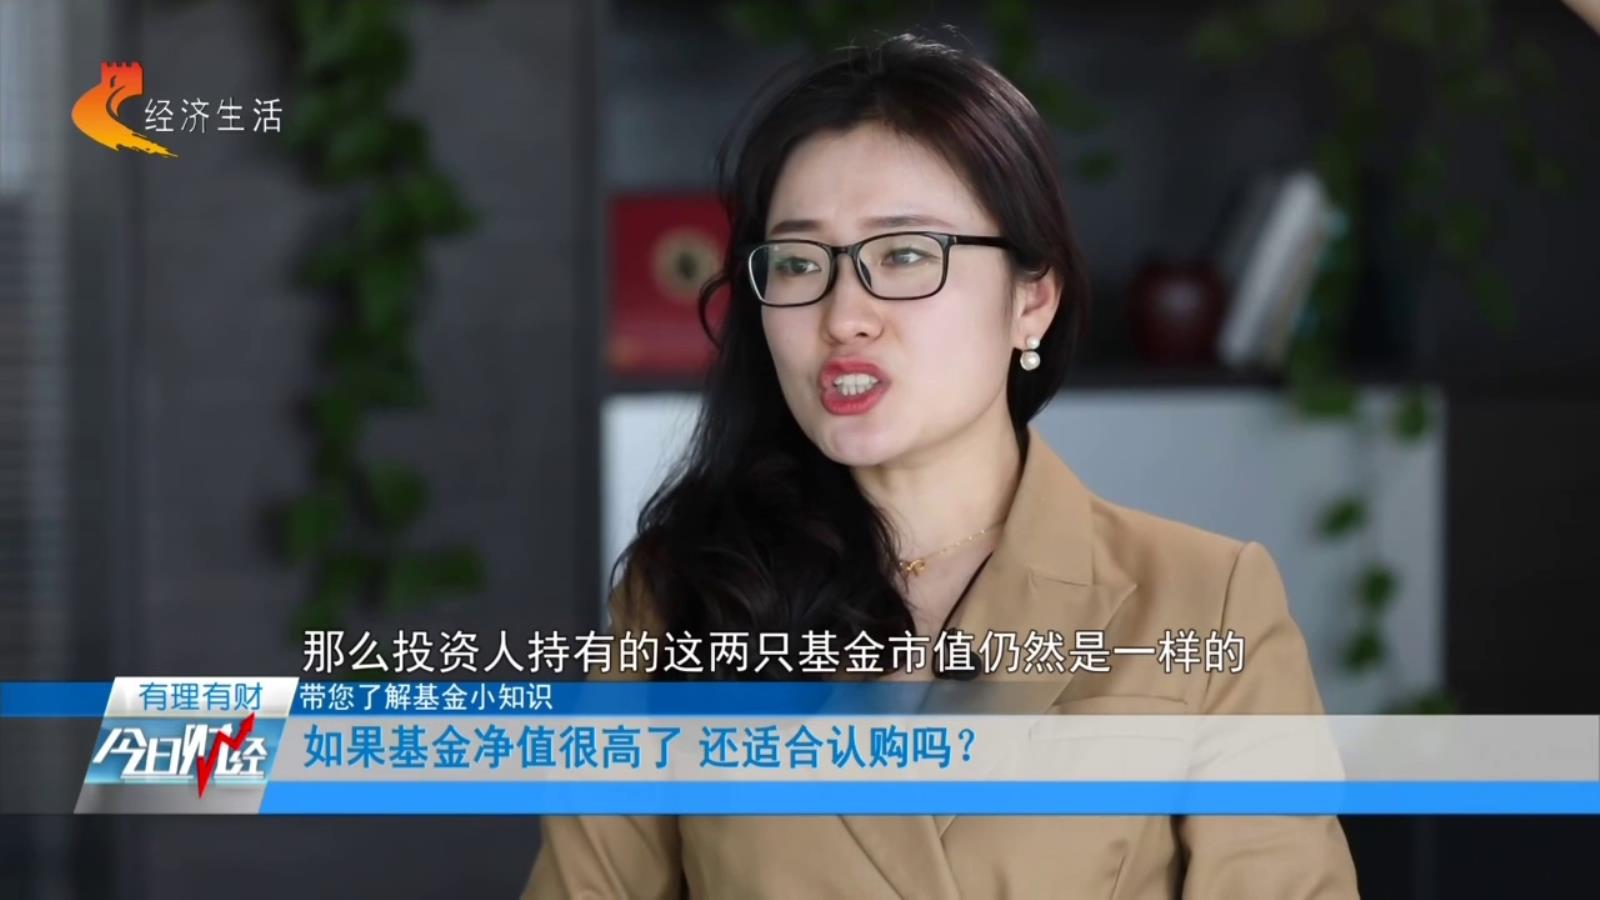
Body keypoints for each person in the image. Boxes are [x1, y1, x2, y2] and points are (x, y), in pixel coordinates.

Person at [526, 33, 1358, 899]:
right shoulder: (688, 596)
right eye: (800, 263)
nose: (844, 315)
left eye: (904, 255)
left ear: (1032, 299)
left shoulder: (1206, 602)